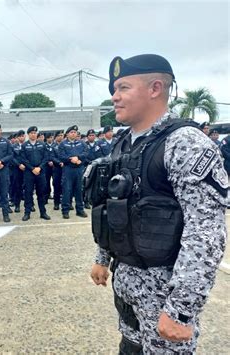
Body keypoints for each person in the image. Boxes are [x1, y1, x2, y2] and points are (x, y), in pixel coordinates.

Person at [89, 53, 227, 354]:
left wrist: (181, 310)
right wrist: (103, 258)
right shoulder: (123, 143)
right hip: (127, 285)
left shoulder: (185, 143)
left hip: (163, 294)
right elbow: (113, 206)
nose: (114, 97)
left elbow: (205, 232)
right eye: (114, 89)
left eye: (123, 88)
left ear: (154, 88)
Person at [20, 126, 51, 221]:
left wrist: (39, 167)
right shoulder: (25, 145)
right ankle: (27, 213)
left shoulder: (42, 144)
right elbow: (23, 159)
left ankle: (43, 212)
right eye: (31, 133)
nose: (33, 135)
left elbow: (46, 157)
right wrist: (32, 168)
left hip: (40, 172)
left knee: (41, 193)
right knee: (28, 193)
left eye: (35, 133)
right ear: (28, 135)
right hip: (29, 173)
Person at [58, 125, 88, 218]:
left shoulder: (81, 143)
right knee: (67, 190)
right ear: (67, 134)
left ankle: (80, 210)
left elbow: (86, 153)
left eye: (75, 132)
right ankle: (65, 211)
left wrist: (78, 158)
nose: (74, 134)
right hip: (68, 169)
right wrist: (71, 159)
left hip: (79, 169)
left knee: (79, 190)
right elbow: (61, 156)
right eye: (71, 132)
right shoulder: (63, 144)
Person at [11, 129, 26, 213]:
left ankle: (29, 205)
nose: (21, 137)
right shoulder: (13, 147)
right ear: (17, 137)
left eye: (22, 136)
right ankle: (17, 205)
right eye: (19, 136)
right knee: (17, 187)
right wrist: (19, 165)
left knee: (28, 188)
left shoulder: (28, 145)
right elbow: (12, 158)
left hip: (27, 169)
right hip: (17, 169)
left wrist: (26, 165)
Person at [52, 130, 64, 210]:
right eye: (59, 135)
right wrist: (59, 162)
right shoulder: (53, 146)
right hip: (57, 168)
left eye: (62, 135)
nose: (61, 137)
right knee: (56, 186)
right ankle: (56, 203)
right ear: (56, 137)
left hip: (66, 168)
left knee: (66, 186)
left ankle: (67, 203)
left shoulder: (65, 145)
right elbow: (52, 157)